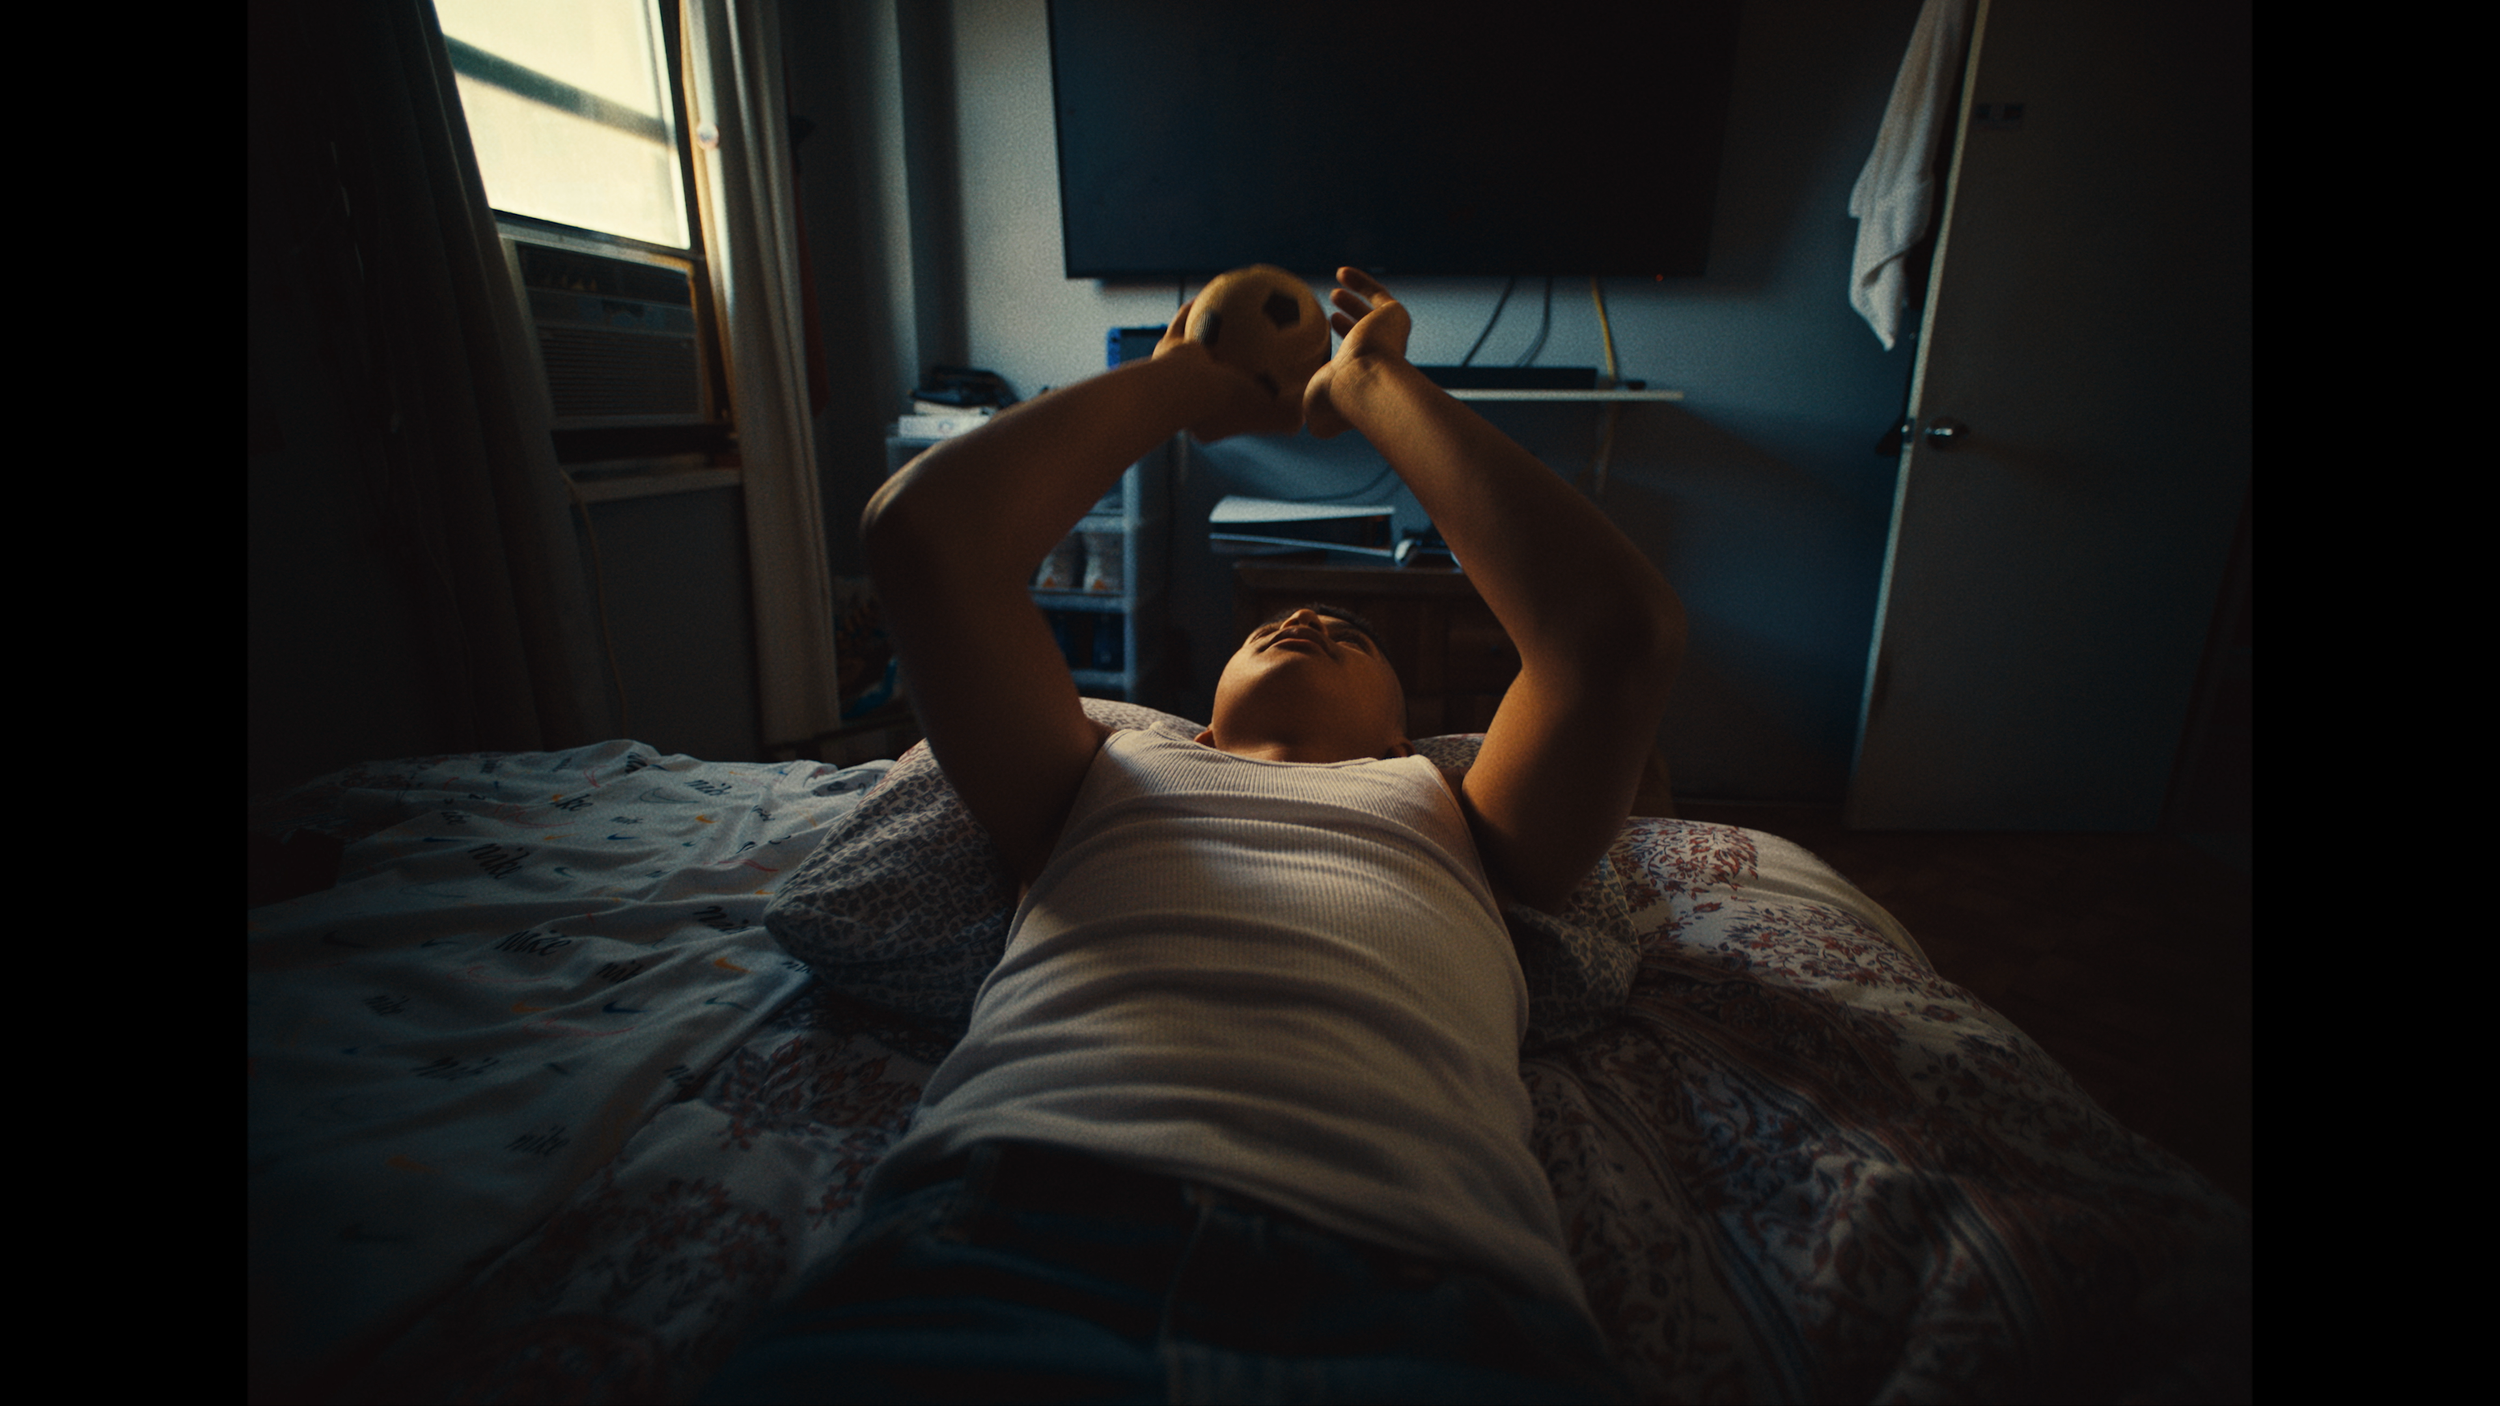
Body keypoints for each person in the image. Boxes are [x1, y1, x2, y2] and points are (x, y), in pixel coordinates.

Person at [705, 269, 1685, 1403]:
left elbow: (1615, 634)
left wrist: (1374, 382)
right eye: (1274, 617)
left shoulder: (1458, 808)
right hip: (991, 1251)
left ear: (1405, 731)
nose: (1310, 613)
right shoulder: (1093, 767)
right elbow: (926, 536)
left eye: (1352, 630)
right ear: (1199, 708)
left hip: (1426, 1293)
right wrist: (1182, 381)